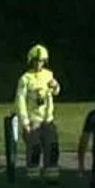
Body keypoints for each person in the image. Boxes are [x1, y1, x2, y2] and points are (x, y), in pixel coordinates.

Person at [14, 44, 61, 179]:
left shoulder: (48, 74)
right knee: (34, 149)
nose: (38, 64)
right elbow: (20, 100)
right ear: (31, 61)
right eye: (36, 61)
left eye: (41, 61)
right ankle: (33, 176)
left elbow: (56, 91)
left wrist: (56, 86)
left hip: (48, 119)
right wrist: (25, 122)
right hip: (33, 120)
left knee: (52, 147)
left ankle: (51, 176)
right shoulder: (25, 79)